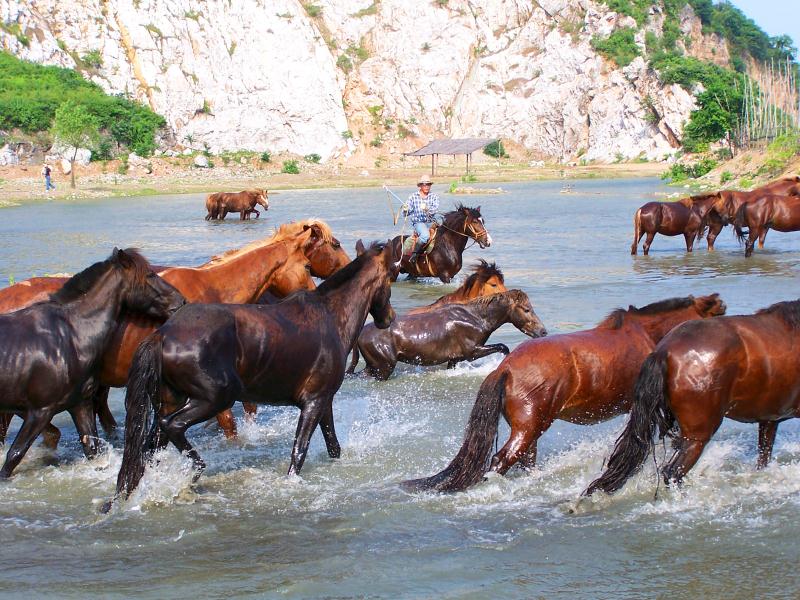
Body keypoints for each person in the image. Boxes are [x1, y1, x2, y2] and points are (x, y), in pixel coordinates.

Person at [403, 174, 440, 262]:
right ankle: (415, 254)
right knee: (425, 235)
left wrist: (427, 209)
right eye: (424, 184)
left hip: (431, 222)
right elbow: (407, 213)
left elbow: (434, 210)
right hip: (418, 223)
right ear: (420, 185)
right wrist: (405, 209)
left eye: (428, 184)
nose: (427, 186)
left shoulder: (434, 197)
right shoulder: (413, 197)